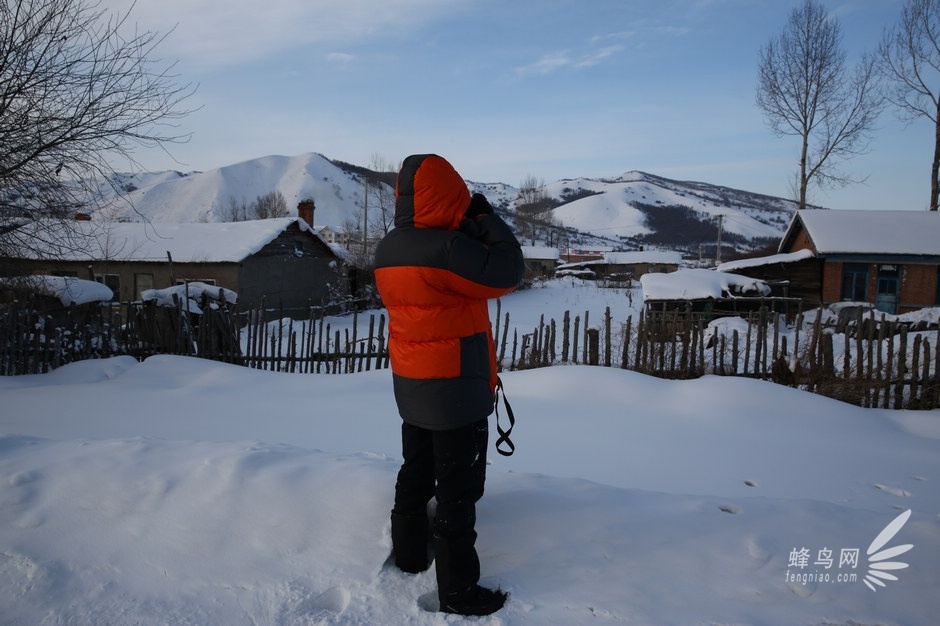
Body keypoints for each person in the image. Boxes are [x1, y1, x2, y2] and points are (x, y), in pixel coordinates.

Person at [373, 154, 525, 616]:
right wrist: (484, 217)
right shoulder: (445, 250)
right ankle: (458, 591)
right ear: (448, 194)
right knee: (458, 491)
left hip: (412, 381)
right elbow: (508, 268)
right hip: (456, 387)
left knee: (416, 471)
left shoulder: (388, 248)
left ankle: (412, 553)